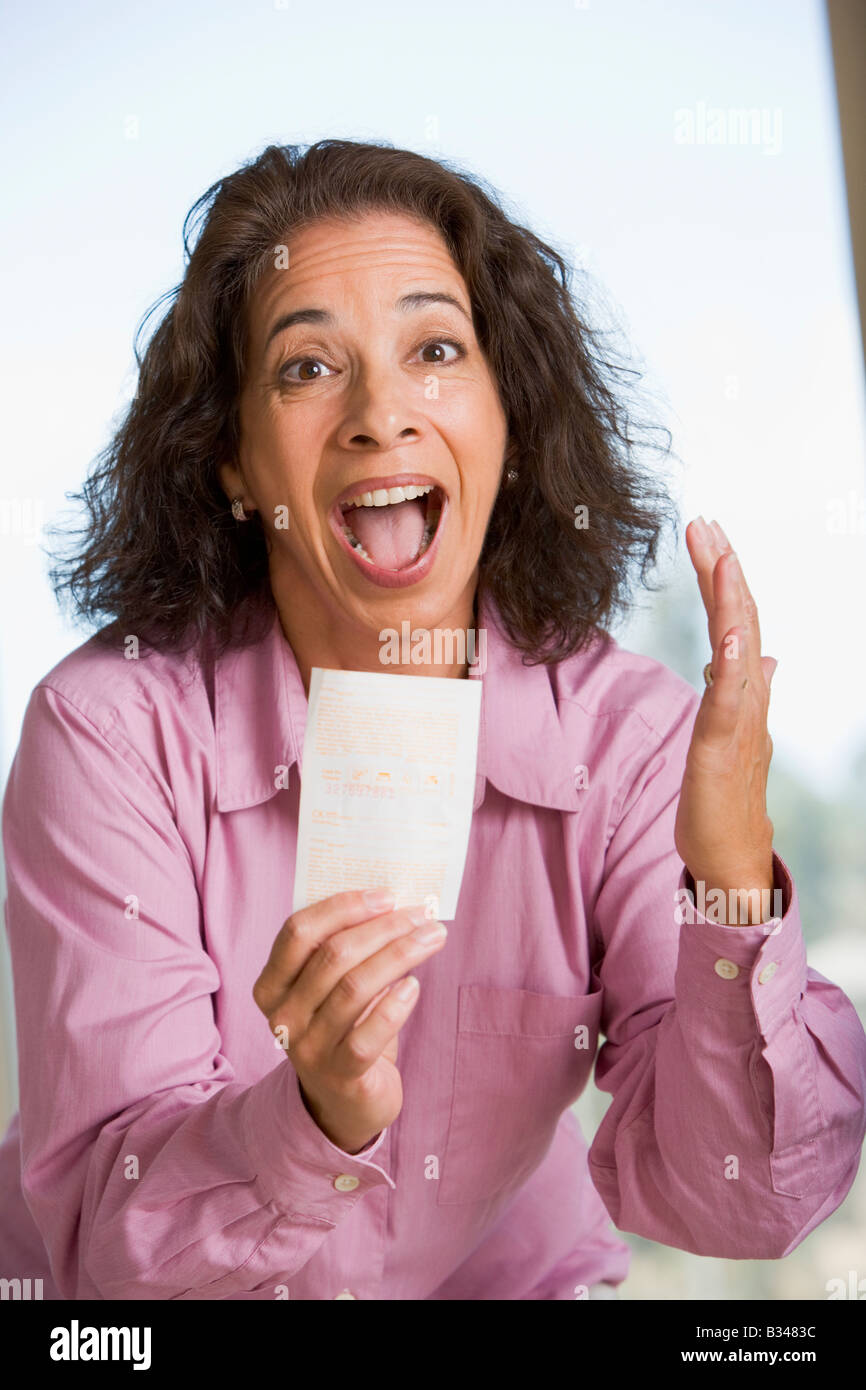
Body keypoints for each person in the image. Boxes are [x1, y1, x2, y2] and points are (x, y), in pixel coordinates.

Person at [1, 139, 863, 1301]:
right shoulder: (107, 736)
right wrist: (310, 1118)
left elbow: (740, 1197)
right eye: (308, 367)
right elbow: (114, 1253)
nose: (379, 414)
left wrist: (725, 885)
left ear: (509, 423)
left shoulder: (622, 740)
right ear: (230, 461)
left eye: (435, 350)